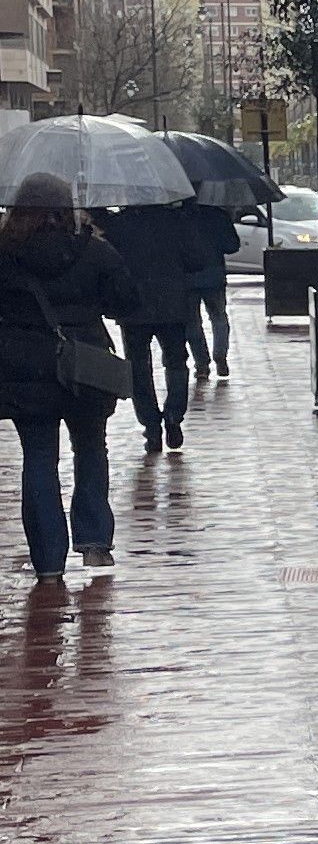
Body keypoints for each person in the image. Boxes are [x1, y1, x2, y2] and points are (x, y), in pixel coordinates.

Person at [0, 176, 137, 580]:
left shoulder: (6, 254)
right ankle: (94, 541)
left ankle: (48, 560)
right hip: (88, 365)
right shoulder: (95, 251)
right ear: (68, 210)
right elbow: (125, 303)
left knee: (39, 458)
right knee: (92, 447)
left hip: (26, 368)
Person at [101, 201, 217, 455]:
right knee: (176, 363)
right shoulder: (176, 222)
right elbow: (198, 259)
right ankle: (174, 415)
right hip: (172, 305)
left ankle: (151, 425)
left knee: (138, 368)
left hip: (133, 306)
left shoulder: (121, 223)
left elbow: (107, 259)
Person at [181, 201, 237, 380]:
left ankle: (201, 363)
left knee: (191, 322)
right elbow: (232, 246)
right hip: (214, 275)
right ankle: (220, 356)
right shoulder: (218, 215)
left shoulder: (180, 216)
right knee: (218, 317)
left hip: (187, 277)